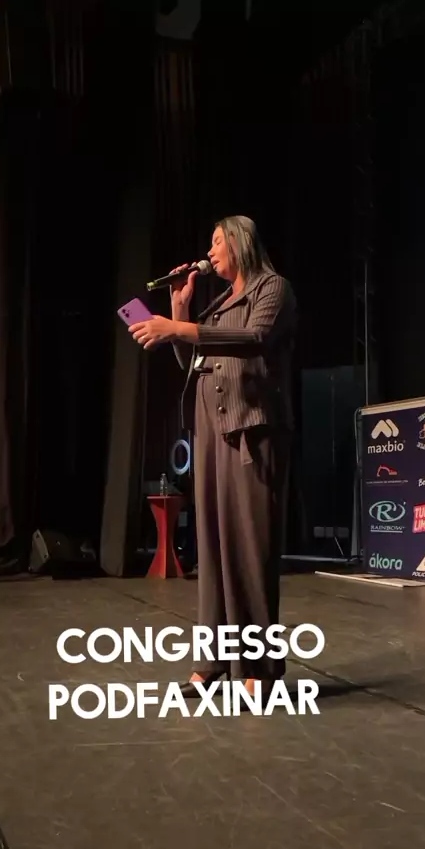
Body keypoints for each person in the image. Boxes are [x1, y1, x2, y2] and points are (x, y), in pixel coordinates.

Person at [129, 215, 297, 698]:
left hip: (252, 433)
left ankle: (259, 669)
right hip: (210, 434)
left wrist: (180, 327)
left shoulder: (272, 288)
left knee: (250, 549)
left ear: (240, 242)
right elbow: (194, 362)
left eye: (217, 241)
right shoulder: (219, 303)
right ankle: (214, 659)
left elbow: (256, 339)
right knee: (214, 548)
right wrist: (180, 309)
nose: (210, 250)